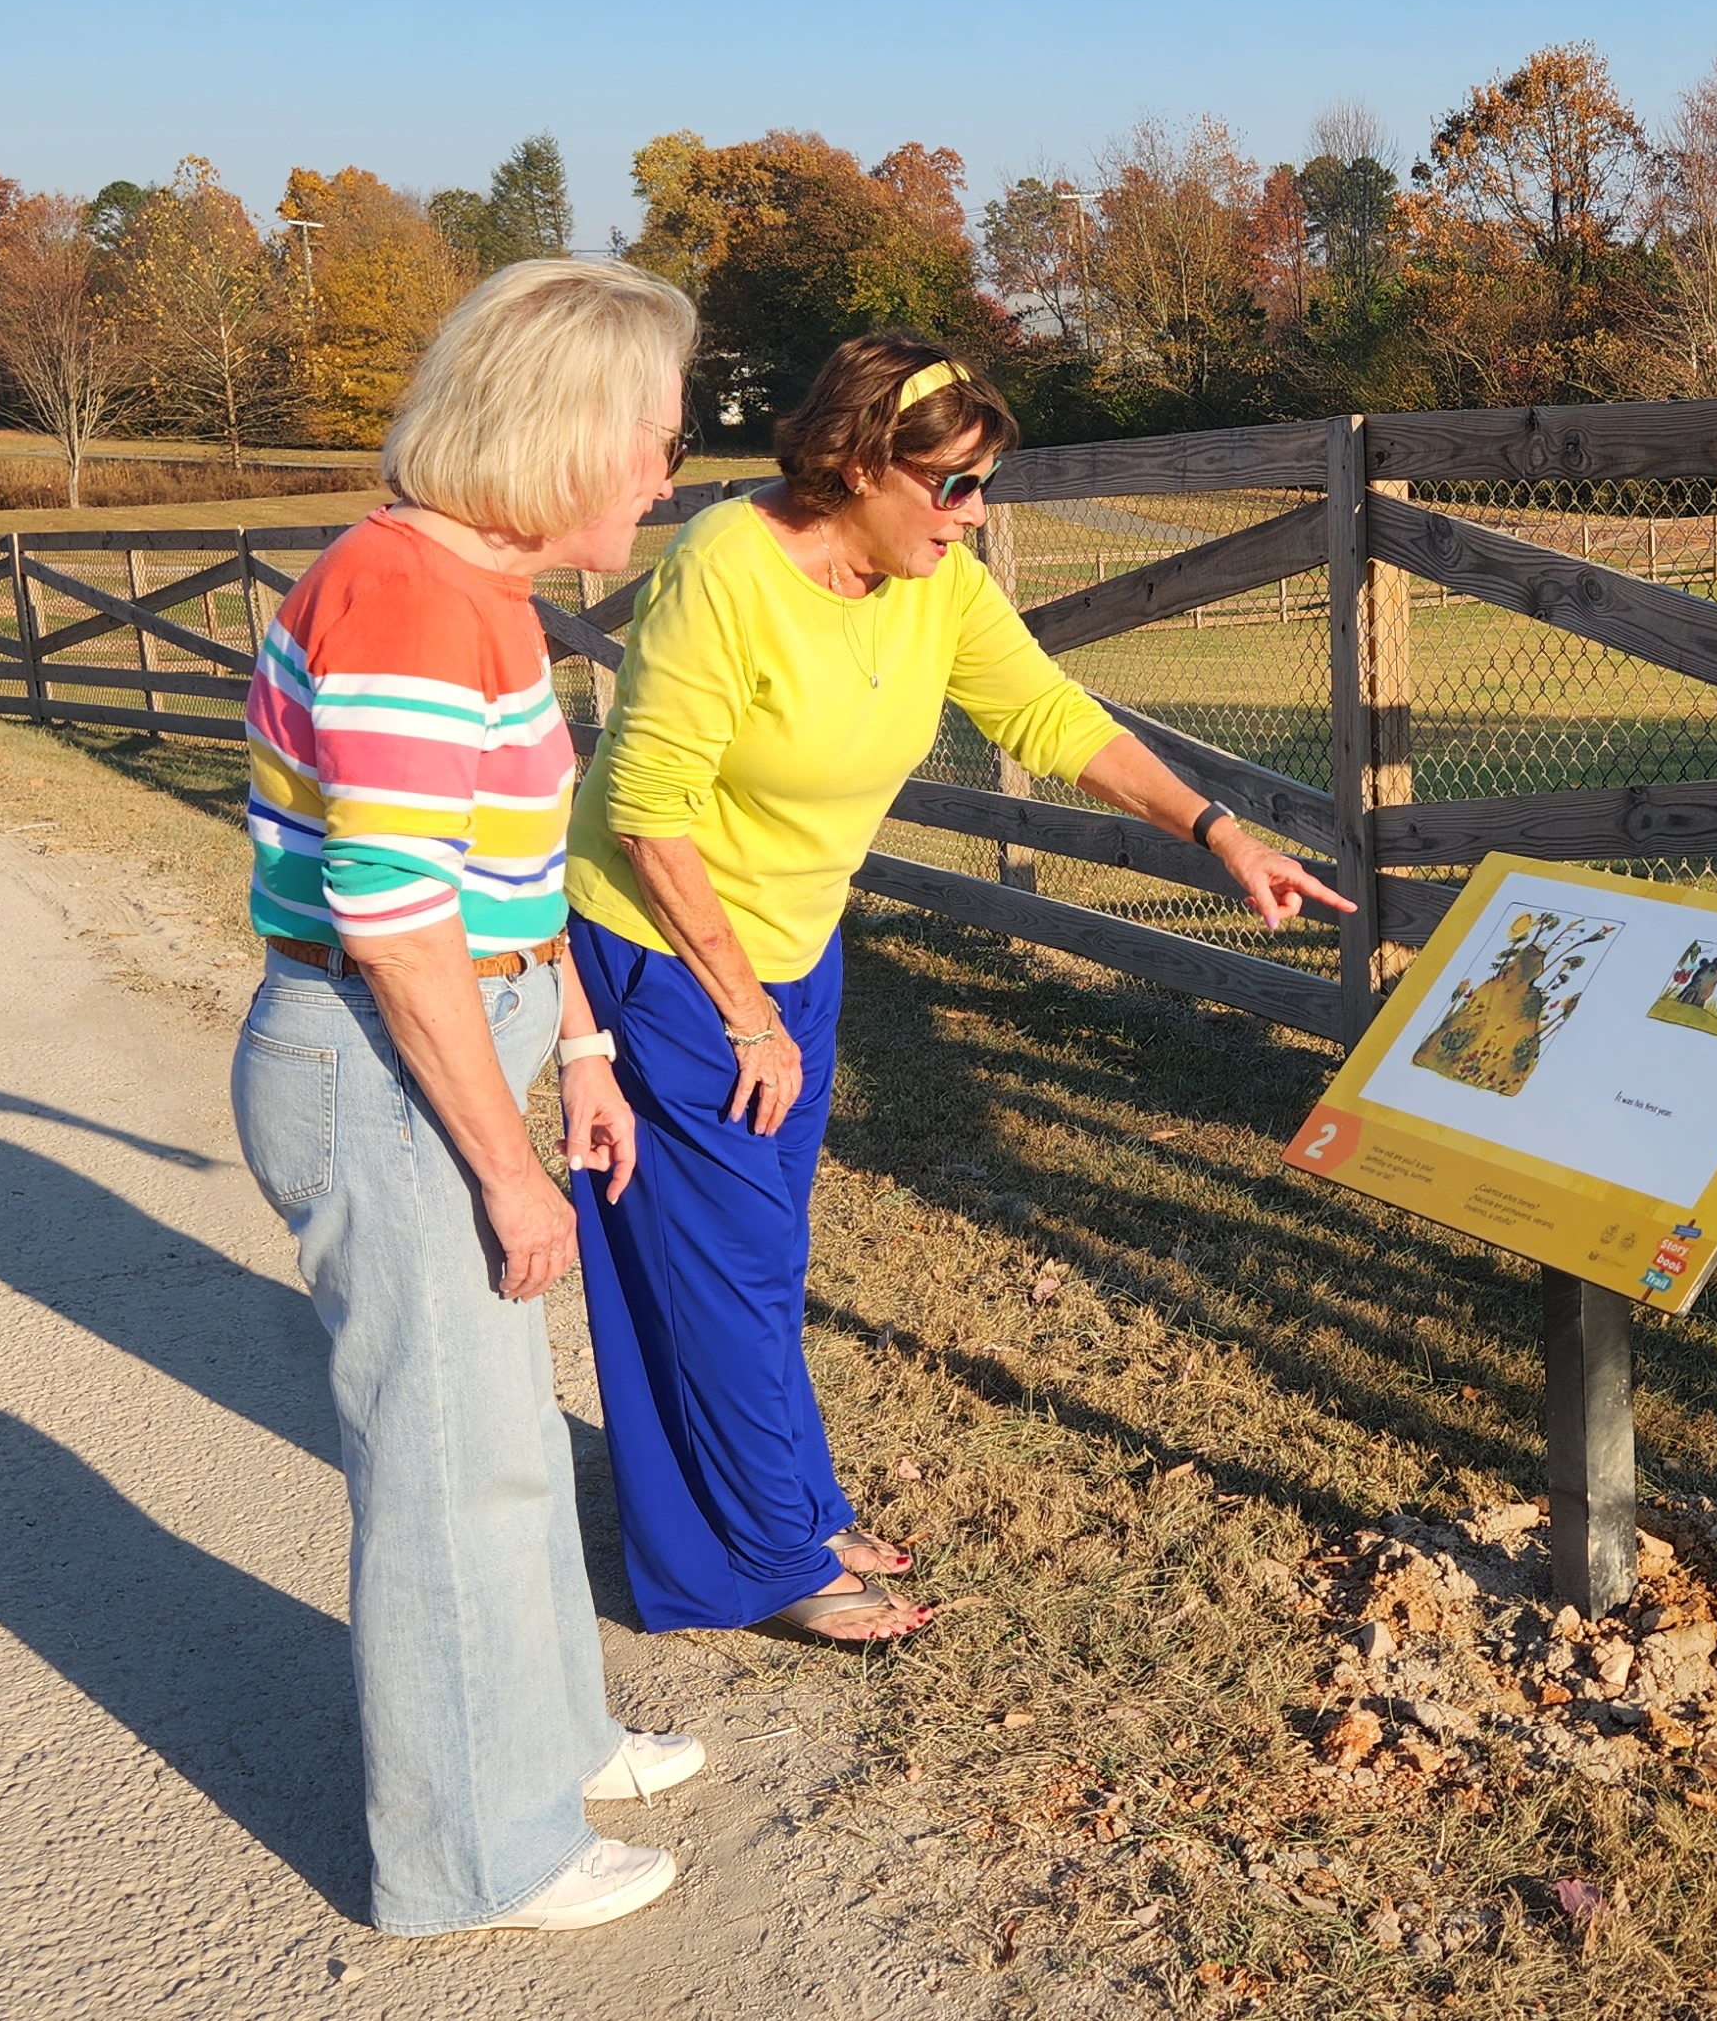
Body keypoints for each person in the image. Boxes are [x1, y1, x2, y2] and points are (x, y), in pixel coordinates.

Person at [562, 332, 1346, 1643]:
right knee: (727, 1263)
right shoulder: (725, 571)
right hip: (672, 955)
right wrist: (743, 1008)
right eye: (953, 485)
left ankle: (784, 1508)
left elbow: (1052, 716)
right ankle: (768, 1560)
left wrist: (1217, 831)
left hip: (794, 950)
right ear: (861, 465)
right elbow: (645, 811)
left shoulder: (932, 579)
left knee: (756, 1255)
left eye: (984, 484)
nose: (975, 513)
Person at [228, 259, 710, 1937]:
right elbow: (394, 914)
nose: (668, 471)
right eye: (653, 437)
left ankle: (550, 1740)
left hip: (465, 1037)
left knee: (499, 1442)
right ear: (565, 437)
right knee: (443, 1471)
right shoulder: (414, 601)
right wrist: (504, 1168)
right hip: (387, 1061)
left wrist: (575, 1046)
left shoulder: (471, 589)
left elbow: (505, 880)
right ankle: (472, 1859)